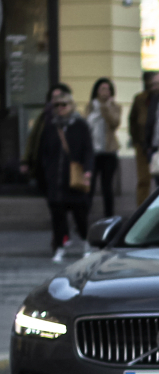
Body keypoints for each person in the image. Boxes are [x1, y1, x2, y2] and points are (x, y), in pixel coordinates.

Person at [33, 86, 94, 261]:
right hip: (55, 180)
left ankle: (86, 243)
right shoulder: (50, 126)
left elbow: (88, 150)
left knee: (80, 215)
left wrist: (88, 170)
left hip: (74, 178)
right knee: (57, 217)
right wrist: (45, 172)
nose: (60, 108)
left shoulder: (80, 125)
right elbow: (43, 151)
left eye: (64, 104)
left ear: (71, 105)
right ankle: (59, 248)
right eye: (57, 105)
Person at [84, 78, 121, 218]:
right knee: (89, 187)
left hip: (108, 152)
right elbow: (85, 125)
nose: (105, 92)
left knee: (107, 187)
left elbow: (114, 123)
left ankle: (109, 217)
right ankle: (84, 216)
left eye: (108, 89)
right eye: (102, 89)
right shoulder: (90, 106)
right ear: (96, 91)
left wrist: (105, 108)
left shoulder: (115, 106)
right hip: (92, 152)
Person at [128, 72, 157, 204]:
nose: (150, 85)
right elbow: (132, 119)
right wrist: (135, 139)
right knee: (143, 179)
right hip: (141, 143)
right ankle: (142, 207)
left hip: (157, 143)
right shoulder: (140, 98)